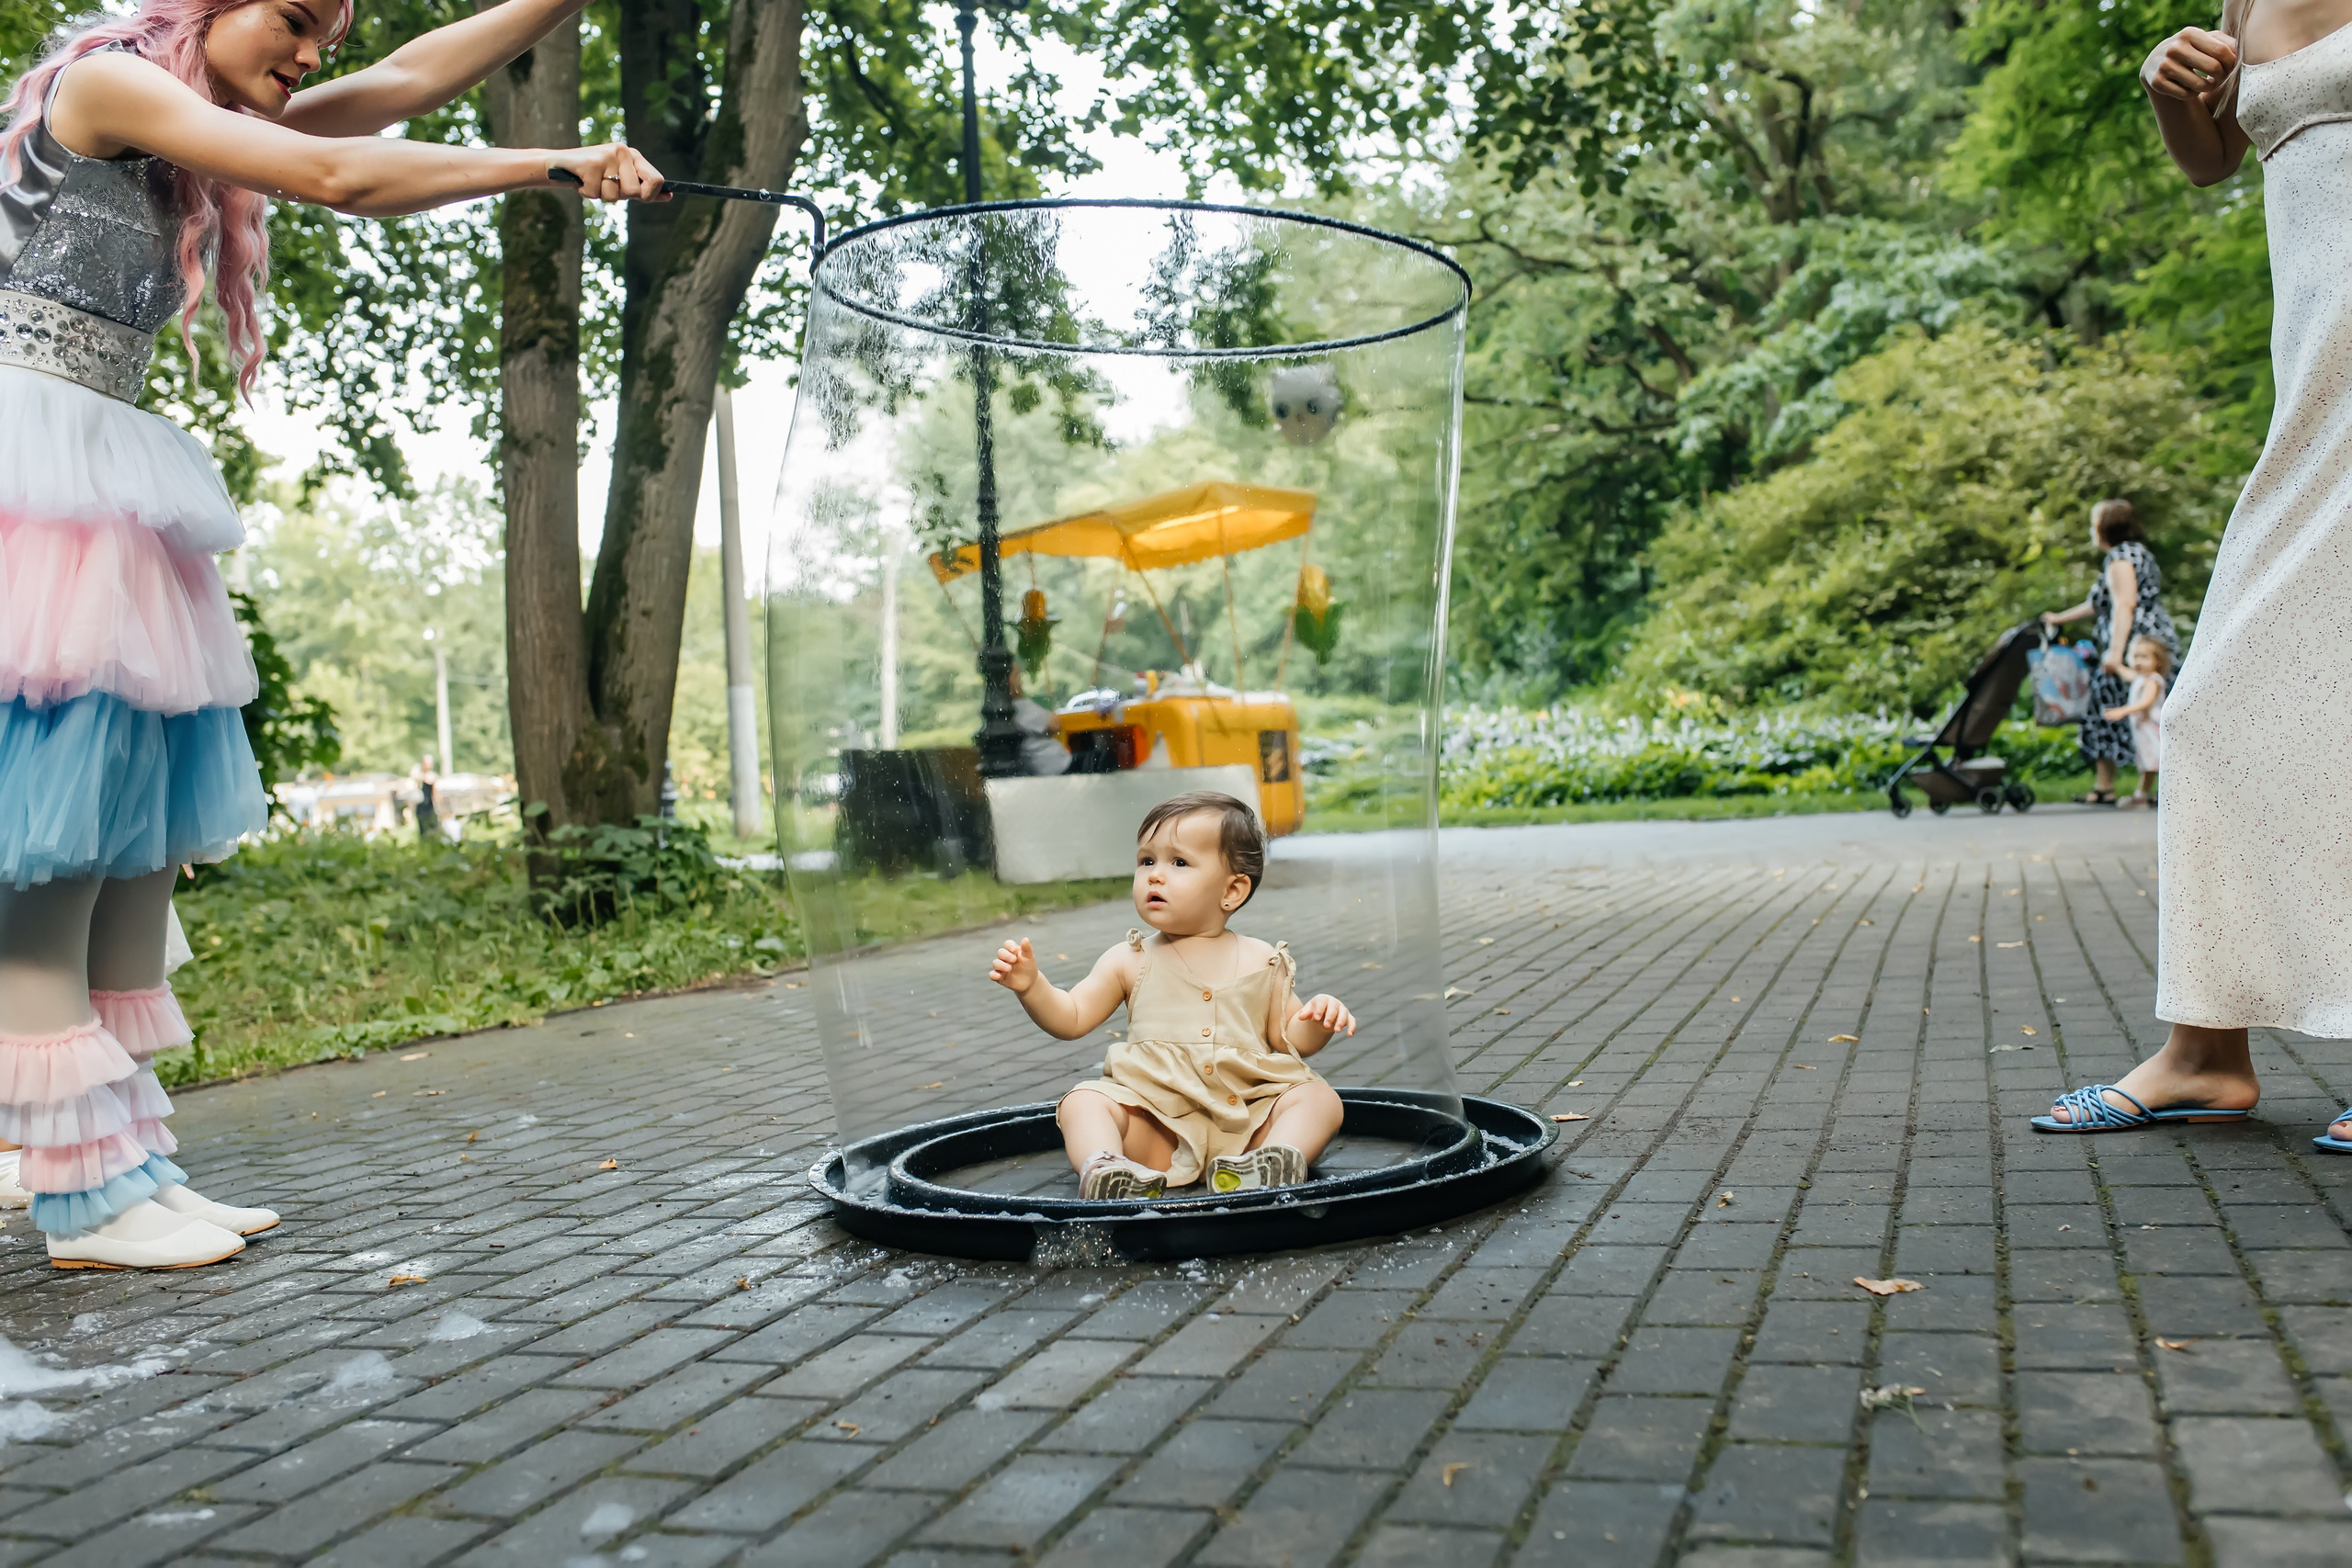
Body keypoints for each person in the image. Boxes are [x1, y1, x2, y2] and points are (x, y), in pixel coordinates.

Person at [0, 0, 664, 1268]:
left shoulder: (193, 116)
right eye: (296, 21)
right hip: (32, 476)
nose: (309, 57)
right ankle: (82, 1199)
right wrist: (553, 159)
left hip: (94, 478)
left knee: (127, 860)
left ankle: (119, 1159)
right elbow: (338, 172)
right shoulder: (107, 86)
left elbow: (404, 83)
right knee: (49, 870)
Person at [2037, 4, 2352, 1154]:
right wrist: (2176, 94)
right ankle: (2207, 1053)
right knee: (2215, 705)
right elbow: (2215, 158)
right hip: (2319, 396)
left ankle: (2204, 1047)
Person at [988, 791, 1351, 1200]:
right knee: (1083, 1101)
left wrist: (1318, 1022)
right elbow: (1071, 1017)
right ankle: (1108, 1167)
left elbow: (1291, 1039)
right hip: (1158, 1128)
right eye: (1147, 861)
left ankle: (1272, 1161)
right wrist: (1032, 986)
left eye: (1178, 862)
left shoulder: (1263, 959)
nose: (1155, 876)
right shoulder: (1129, 958)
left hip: (1248, 1123)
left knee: (1319, 1099)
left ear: (1232, 890)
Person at [2041, 500, 2179, 806]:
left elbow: (2123, 604)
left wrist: (2116, 655)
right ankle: (2135, 785)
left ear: (2105, 527)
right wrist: (2059, 618)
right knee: (2153, 710)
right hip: (2153, 640)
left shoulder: (2120, 558)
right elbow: (2100, 604)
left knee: (2109, 710)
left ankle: (2112, 786)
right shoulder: (2138, 552)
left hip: (2136, 647)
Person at [2100, 637, 2171, 808]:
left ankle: (2145, 795)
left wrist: (2123, 710)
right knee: (2148, 763)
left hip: (2151, 730)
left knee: (2153, 762)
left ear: (2158, 661)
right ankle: (2147, 794)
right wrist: (2114, 664)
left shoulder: (2153, 680)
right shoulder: (2141, 678)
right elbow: (2126, 673)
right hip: (2142, 731)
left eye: (2144, 657)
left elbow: (2146, 702)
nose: (2139, 661)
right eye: (2136, 656)